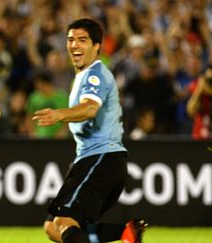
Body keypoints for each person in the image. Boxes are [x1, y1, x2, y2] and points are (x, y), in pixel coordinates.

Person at [32, 18, 147, 243]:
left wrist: (59, 114)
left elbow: (90, 108)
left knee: (64, 222)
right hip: (94, 159)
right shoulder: (83, 76)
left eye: (82, 40)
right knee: (53, 227)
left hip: (101, 158)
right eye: (71, 40)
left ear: (96, 46)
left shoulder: (95, 75)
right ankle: (125, 233)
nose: (74, 45)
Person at [186, 65, 212, 140]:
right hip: (199, 140)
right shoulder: (199, 90)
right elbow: (190, 111)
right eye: (209, 80)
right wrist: (200, 89)